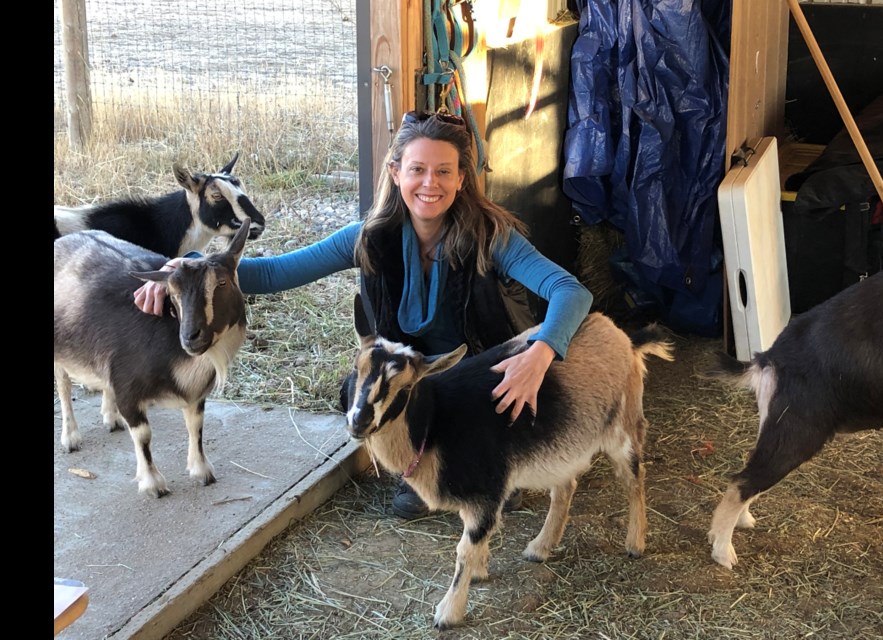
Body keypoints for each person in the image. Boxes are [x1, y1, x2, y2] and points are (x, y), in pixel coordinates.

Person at [134, 111, 594, 519]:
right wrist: (186, 274)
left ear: (461, 179)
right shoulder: (367, 237)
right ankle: (416, 458)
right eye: (417, 169)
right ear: (396, 173)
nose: (429, 184)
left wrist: (540, 352)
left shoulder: (492, 235)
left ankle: (483, 456)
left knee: (478, 481)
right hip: (407, 381)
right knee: (362, 389)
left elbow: (569, 291)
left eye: (443, 172)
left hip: (475, 379)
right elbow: (273, 273)